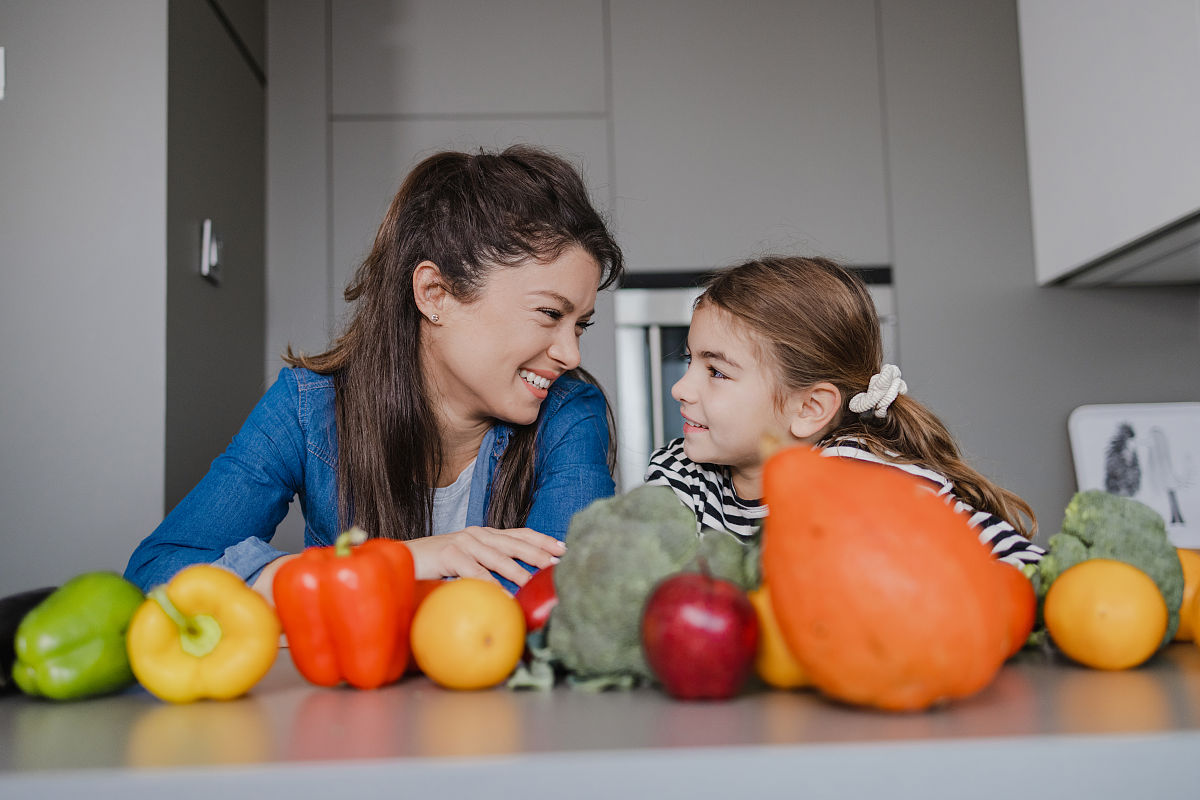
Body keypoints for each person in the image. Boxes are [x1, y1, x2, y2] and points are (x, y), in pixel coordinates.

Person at [125, 146, 625, 598]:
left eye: (580, 325)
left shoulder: (571, 412)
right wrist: (403, 561)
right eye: (549, 314)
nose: (571, 355)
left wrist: (319, 584)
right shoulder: (307, 409)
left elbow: (558, 593)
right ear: (435, 294)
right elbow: (159, 573)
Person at [645, 255, 1043, 566]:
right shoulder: (679, 474)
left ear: (810, 407)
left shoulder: (867, 478)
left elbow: (1025, 567)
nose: (680, 388)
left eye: (716, 371)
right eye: (688, 360)